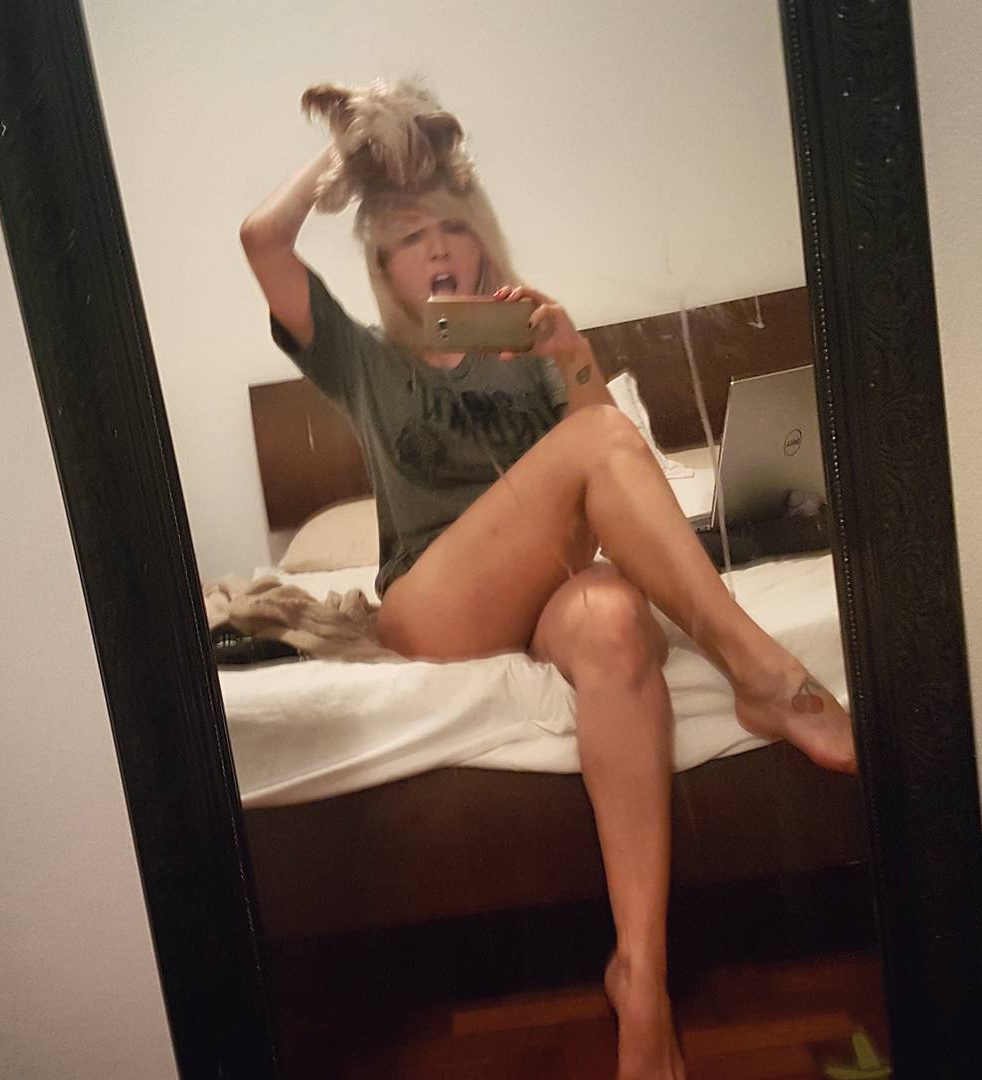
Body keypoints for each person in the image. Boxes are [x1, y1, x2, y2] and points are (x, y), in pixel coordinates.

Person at [240, 122, 857, 1080]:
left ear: (479, 237)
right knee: (596, 446)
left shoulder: (530, 349)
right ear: (382, 265)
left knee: (612, 622)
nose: (437, 248)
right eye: (409, 236)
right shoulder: (359, 359)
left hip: (548, 596)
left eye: (451, 225)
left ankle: (640, 977)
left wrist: (573, 354)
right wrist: (345, 154)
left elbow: (623, 491)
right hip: (433, 605)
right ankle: (763, 672)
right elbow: (261, 240)